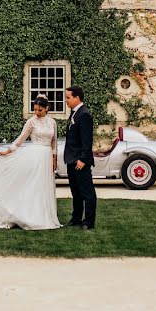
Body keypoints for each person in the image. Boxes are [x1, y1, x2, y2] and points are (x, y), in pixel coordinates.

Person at [0, 94, 60, 230]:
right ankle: (30, 215)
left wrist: (54, 159)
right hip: (35, 157)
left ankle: (44, 214)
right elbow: (21, 138)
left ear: (47, 108)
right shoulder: (31, 121)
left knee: (44, 186)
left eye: (39, 110)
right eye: (35, 109)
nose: (36, 112)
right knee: (34, 186)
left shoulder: (52, 122)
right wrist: (9, 150)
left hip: (46, 157)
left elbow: (54, 143)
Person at [63, 85, 96, 230]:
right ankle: (76, 218)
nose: (66, 101)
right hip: (72, 159)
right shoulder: (74, 113)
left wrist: (83, 159)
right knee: (75, 192)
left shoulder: (84, 114)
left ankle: (89, 221)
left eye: (68, 98)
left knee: (87, 192)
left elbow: (86, 140)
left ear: (77, 98)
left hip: (80, 161)